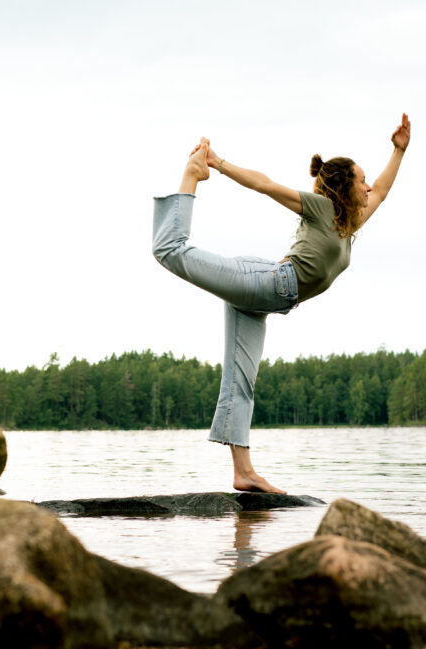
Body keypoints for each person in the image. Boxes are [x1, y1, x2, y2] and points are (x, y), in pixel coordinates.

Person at [152, 113, 411, 494]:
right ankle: (190, 175)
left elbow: (383, 192)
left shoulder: (348, 223)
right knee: (169, 250)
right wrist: (216, 163)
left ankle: (244, 473)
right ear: (344, 186)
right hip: (266, 283)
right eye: (362, 180)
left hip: (267, 297)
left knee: (241, 380)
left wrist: (398, 150)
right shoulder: (320, 208)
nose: (368, 186)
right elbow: (265, 184)